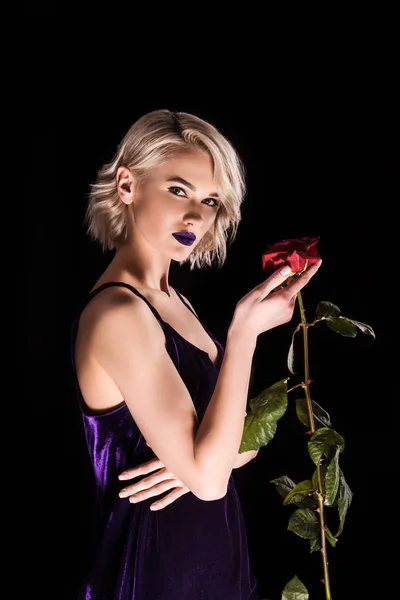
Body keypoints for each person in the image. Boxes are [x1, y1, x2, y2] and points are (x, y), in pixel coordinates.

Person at [70, 108, 322, 600]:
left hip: (216, 559)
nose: (196, 216)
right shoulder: (118, 312)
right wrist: (245, 333)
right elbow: (210, 475)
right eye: (177, 189)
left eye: (209, 200)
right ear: (127, 185)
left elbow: (238, 442)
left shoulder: (173, 301)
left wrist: (197, 463)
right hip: (153, 571)